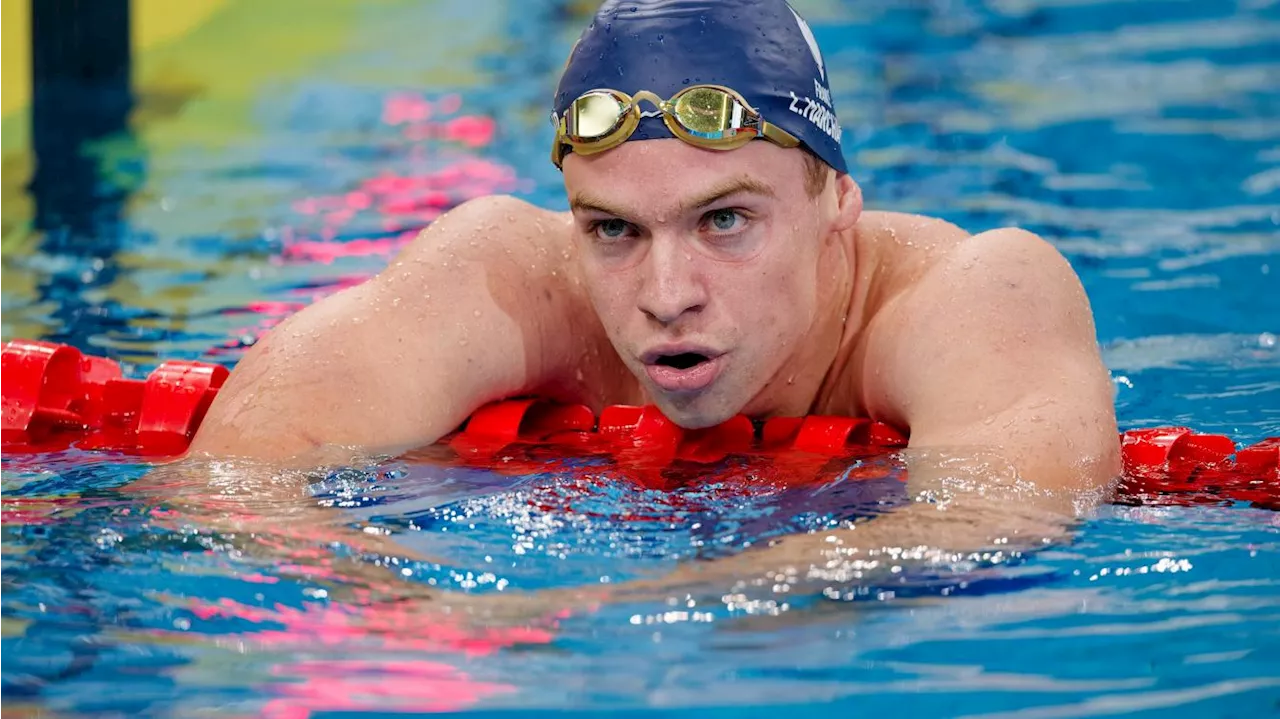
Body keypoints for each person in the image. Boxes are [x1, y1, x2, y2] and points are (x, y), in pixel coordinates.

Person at [187, 0, 1119, 568]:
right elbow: (234, 474)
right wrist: (399, 605)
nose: (667, 293)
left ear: (837, 199)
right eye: (614, 230)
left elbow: (1002, 519)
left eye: (724, 221)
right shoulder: (514, 275)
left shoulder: (976, 293)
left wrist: (638, 602)